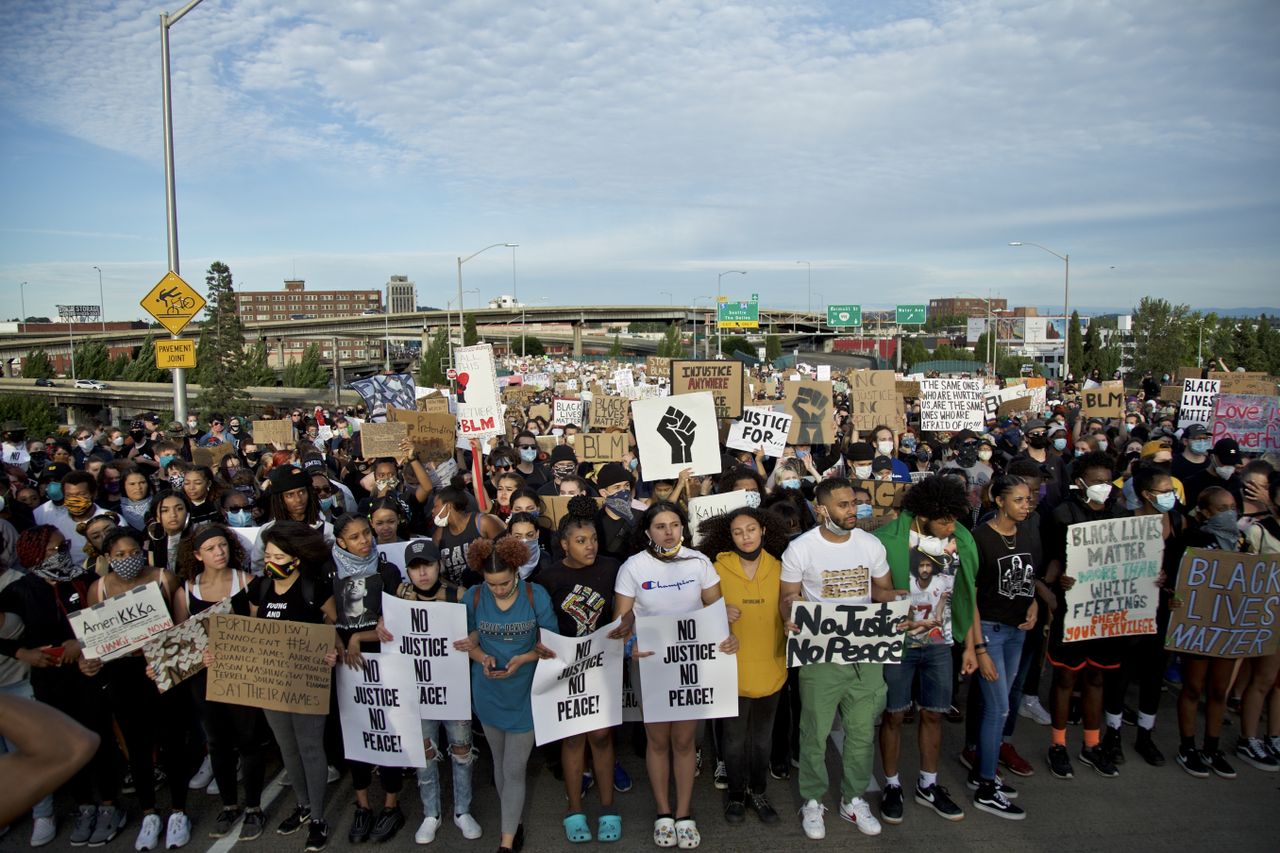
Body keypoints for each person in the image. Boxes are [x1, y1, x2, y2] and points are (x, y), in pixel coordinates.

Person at [779, 478, 897, 840]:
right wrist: (790, 614)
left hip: (865, 650)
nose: (853, 511)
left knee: (861, 731)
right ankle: (813, 800)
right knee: (814, 731)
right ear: (822, 510)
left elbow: (881, 590)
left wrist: (902, 602)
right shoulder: (800, 549)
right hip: (820, 651)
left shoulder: (871, 544)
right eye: (844, 505)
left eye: (855, 504)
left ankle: (853, 798)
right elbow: (788, 595)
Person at [615, 501, 736, 850]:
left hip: (690, 664)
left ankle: (684, 814)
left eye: (674, 524)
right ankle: (663, 811)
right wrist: (629, 645)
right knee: (657, 741)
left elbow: (715, 613)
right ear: (647, 531)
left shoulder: (699, 563)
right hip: (650, 663)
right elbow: (621, 620)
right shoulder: (633, 567)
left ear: (683, 527)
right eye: (660, 526)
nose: (669, 532)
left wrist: (728, 629)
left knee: (684, 742)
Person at [80, 526, 194, 851]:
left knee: (173, 741)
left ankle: (178, 811)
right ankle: (149, 813)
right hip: (123, 675)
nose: (128, 559)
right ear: (106, 558)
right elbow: (94, 640)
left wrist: (161, 652)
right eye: (119, 555)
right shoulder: (98, 589)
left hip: (159, 668)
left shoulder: (163, 578)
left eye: (133, 553)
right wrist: (90, 660)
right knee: (137, 746)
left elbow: (181, 626)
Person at [874, 476, 976, 824]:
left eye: (955, 517)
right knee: (894, 715)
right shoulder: (887, 541)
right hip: (898, 644)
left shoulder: (961, 540)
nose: (952, 525)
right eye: (944, 519)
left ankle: (928, 785)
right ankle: (891, 784)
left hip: (939, 644)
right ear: (923, 513)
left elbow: (967, 593)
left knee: (934, 713)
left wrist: (972, 646)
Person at [167, 525, 269, 840]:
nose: (219, 552)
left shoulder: (248, 582)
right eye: (210, 548)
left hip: (243, 673)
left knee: (249, 739)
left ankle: (253, 806)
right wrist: (200, 655)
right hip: (205, 679)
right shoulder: (186, 591)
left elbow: (261, 630)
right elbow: (179, 640)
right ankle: (229, 804)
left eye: (222, 545)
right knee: (218, 742)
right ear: (197, 555)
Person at [378, 540, 482, 845]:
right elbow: (389, 632)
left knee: (461, 751)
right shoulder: (399, 595)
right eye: (415, 566)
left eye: (428, 565)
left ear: (439, 565)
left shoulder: (458, 595)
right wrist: (382, 626)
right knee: (424, 753)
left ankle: (462, 810)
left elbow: (478, 629)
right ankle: (431, 813)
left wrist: (471, 638)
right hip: (416, 690)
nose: (422, 573)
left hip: (453, 687)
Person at [245, 521, 341, 852]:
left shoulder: (314, 588)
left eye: (276, 555)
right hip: (272, 684)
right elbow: (251, 632)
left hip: (307, 683)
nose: (269, 560)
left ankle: (317, 817)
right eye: (267, 554)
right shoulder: (259, 589)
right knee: (288, 749)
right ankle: (302, 806)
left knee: (311, 747)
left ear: (295, 558)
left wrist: (333, 652)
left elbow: (335, 627)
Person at [535, 496, 624, 842]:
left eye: (594, 540)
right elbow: (541, 623)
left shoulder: (612, 568)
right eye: (581, 541)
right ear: (564, 544)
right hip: (565, 669)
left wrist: (625, 622)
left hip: (602, 664)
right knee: (573, 739)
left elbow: (624, 608)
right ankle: (574, 810)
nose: (590, 546)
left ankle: (608, 808)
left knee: (601, 737)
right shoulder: (548, 578)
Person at [461, 537, 558, 853]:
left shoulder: (535, 595)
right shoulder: (474, 597)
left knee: (514, 768)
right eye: (492, 585)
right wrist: (481, 658)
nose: (498, 590)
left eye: (504, 583)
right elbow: (468, 640)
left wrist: (524, 658)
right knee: (499, 763)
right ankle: (512, 824)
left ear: (516, 571)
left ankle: (505, 843)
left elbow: (550, 644)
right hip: (488, 691)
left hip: (526, 693)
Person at [701, 507, 787, 825]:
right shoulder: (714, 568)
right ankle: (736, 795)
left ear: (763, 530)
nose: (745, 536)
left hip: (772, 666)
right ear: (729, 535)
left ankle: (758, 791)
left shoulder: (781, 567)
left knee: (762, 739)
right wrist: (717, 614)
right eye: (738, 532)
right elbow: (696, 613)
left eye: (751, 529)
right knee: (734, 739)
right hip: (732, 669)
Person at [330, 513, 409, 844]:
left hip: (382, 662)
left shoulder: (387, 571)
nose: (365, 541)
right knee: (357, 733)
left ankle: (391, 805)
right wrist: (337, 640)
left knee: (387, 731)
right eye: (356, 537)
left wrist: (360, 637)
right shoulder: (329, 572)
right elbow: (325, 614)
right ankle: (362, 805)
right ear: (340, 542)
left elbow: (394, 619)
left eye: (367, 533)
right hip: (346, 667)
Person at [966, 475, 1040, 820]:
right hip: (991, 632)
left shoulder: (1026, 532)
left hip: (1017, 632)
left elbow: (1030, 577)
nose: (1026, 505)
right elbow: (970, 596)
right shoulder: (980, 538)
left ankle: (983, 768)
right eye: (1019, 500)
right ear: (999, 501)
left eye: (1028, 499)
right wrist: (979, 647)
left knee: (1001, 704)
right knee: (998, 708)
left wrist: (1035, 603)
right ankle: (985, 784)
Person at [1172, 486, 1241, 779]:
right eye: (1222, 508)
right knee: (1193, 687)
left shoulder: (1243, 542)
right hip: (1199, 626)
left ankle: (1212, 747)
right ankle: (1188, 746)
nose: (1230, 514)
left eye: (1232, 508)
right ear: (1205, 512)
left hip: (1228, 625)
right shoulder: (1193, 539)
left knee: (1217, 690)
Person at [432, 486, 506, 588]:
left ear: (448, 506)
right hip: (460, 596)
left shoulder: (483, 523)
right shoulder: (438, 536)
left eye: (435, 506)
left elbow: (506, 554)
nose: (432, 511)